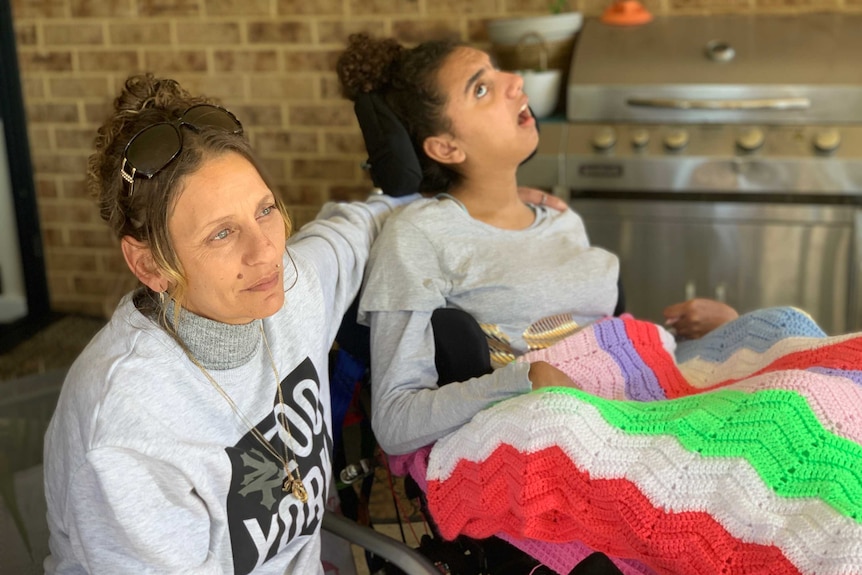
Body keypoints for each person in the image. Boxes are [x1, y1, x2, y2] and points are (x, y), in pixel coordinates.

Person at [41, 73, 413, 575]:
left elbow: (355, 227)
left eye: (264, 210)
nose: (266, 251)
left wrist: (437, 193)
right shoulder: (128, 431)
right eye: (221, 234)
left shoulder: (291, 289)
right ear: (150, 265)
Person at [336, 34, 739, 457]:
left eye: (498, 72)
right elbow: (395, 420)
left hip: (646, 412)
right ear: (446, 147)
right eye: (481, 88)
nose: (515, 81)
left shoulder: (559, 219)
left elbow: (605, 353)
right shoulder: (418, 236)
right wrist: (525, 380)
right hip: (572, 447)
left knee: (781, 336)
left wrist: (710, 339)